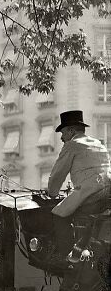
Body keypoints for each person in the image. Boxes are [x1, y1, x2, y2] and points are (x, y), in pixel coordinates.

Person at [47, 110, 111, 263]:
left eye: (63, 133)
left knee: (58, 214)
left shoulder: (72, 145)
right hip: (107, 192)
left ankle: (68, 257)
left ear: (71, 130)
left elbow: (57, 175)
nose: (62, 138)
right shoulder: (98, 143)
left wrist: (52, 193)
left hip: (91, 194)